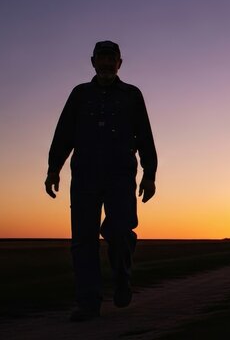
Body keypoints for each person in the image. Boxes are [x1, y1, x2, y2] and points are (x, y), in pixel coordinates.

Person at [45, 40, 157, 322]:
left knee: (120, 232)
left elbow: (144, 135)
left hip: (120, 175)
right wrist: (53, 169)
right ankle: (88, 303)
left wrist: (150, 174)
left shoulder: (132, 95)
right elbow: (64, 134)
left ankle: (122, 277)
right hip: (85, 176)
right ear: (92, 62)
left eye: (112, 58)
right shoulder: (80, 94)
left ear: (120, 63)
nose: (106, 63)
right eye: (102, 58)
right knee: (83, 241)